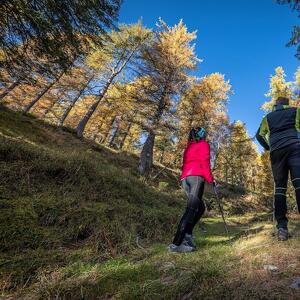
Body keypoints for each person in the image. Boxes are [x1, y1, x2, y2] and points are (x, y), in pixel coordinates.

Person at [256, 96, 300, 241]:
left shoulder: (267, 118)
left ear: (276, 105)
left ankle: (282, 227)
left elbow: (259, 135)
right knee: (299, 185)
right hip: (295, 148)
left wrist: (269, 147)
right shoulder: (295, 111)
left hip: (277, 153)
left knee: (280, 188)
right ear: (287, 105)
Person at [169, 127, 215, 253]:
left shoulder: (189, 146)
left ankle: (188, 234)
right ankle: (176, 244)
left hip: (185, 179)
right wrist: (211, 179)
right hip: (196, 178)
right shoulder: (204, 144)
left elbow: (185, 163)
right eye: (205, 134)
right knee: (191, 210)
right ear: (203, 135)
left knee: (200, 208)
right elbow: (205, 162)